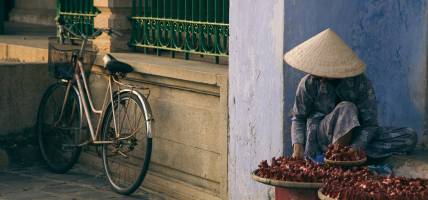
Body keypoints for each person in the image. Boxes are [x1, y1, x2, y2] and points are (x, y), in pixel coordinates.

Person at [284, 28, 417, 159]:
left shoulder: (361, 83)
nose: (321, 75)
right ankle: (335, 161)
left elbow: (370, 125)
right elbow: (298, 118)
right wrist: (298, 148)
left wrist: (355, 148)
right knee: (347, 108)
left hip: (354, 136)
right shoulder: (309, 82)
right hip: (320, 138)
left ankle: (345, 156)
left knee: (409, 137)